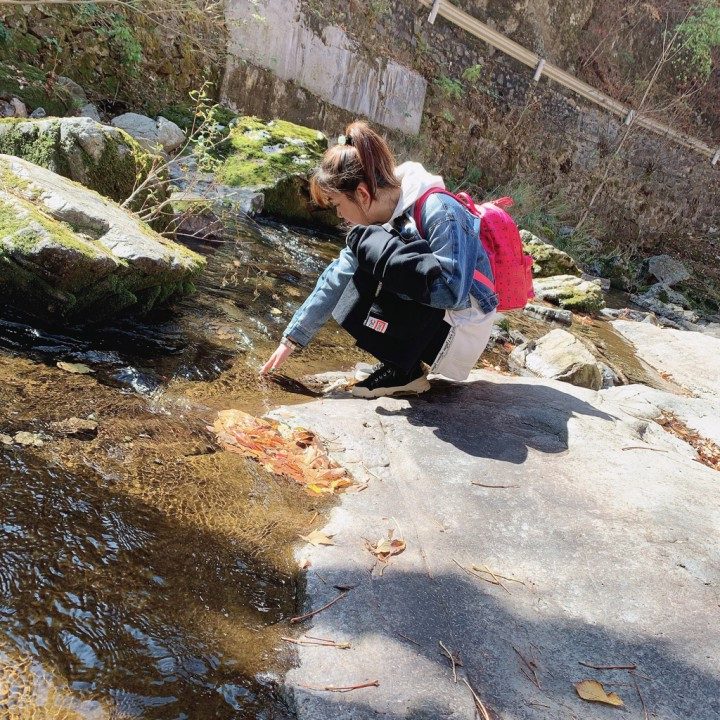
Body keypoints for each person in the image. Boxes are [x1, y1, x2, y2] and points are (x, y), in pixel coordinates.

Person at [259, 121, 498, 398]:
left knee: (371, 258)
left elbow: (452, 294)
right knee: (358, 264)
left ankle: (404, 371)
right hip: (439, 320)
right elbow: (337, 276)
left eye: (338, 204)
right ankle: (402, 364)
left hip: (462, 329)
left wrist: (390, 275)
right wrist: (292, 339)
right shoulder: (383, 216)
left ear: (362, 194)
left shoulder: (440, 210)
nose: (339, 215)